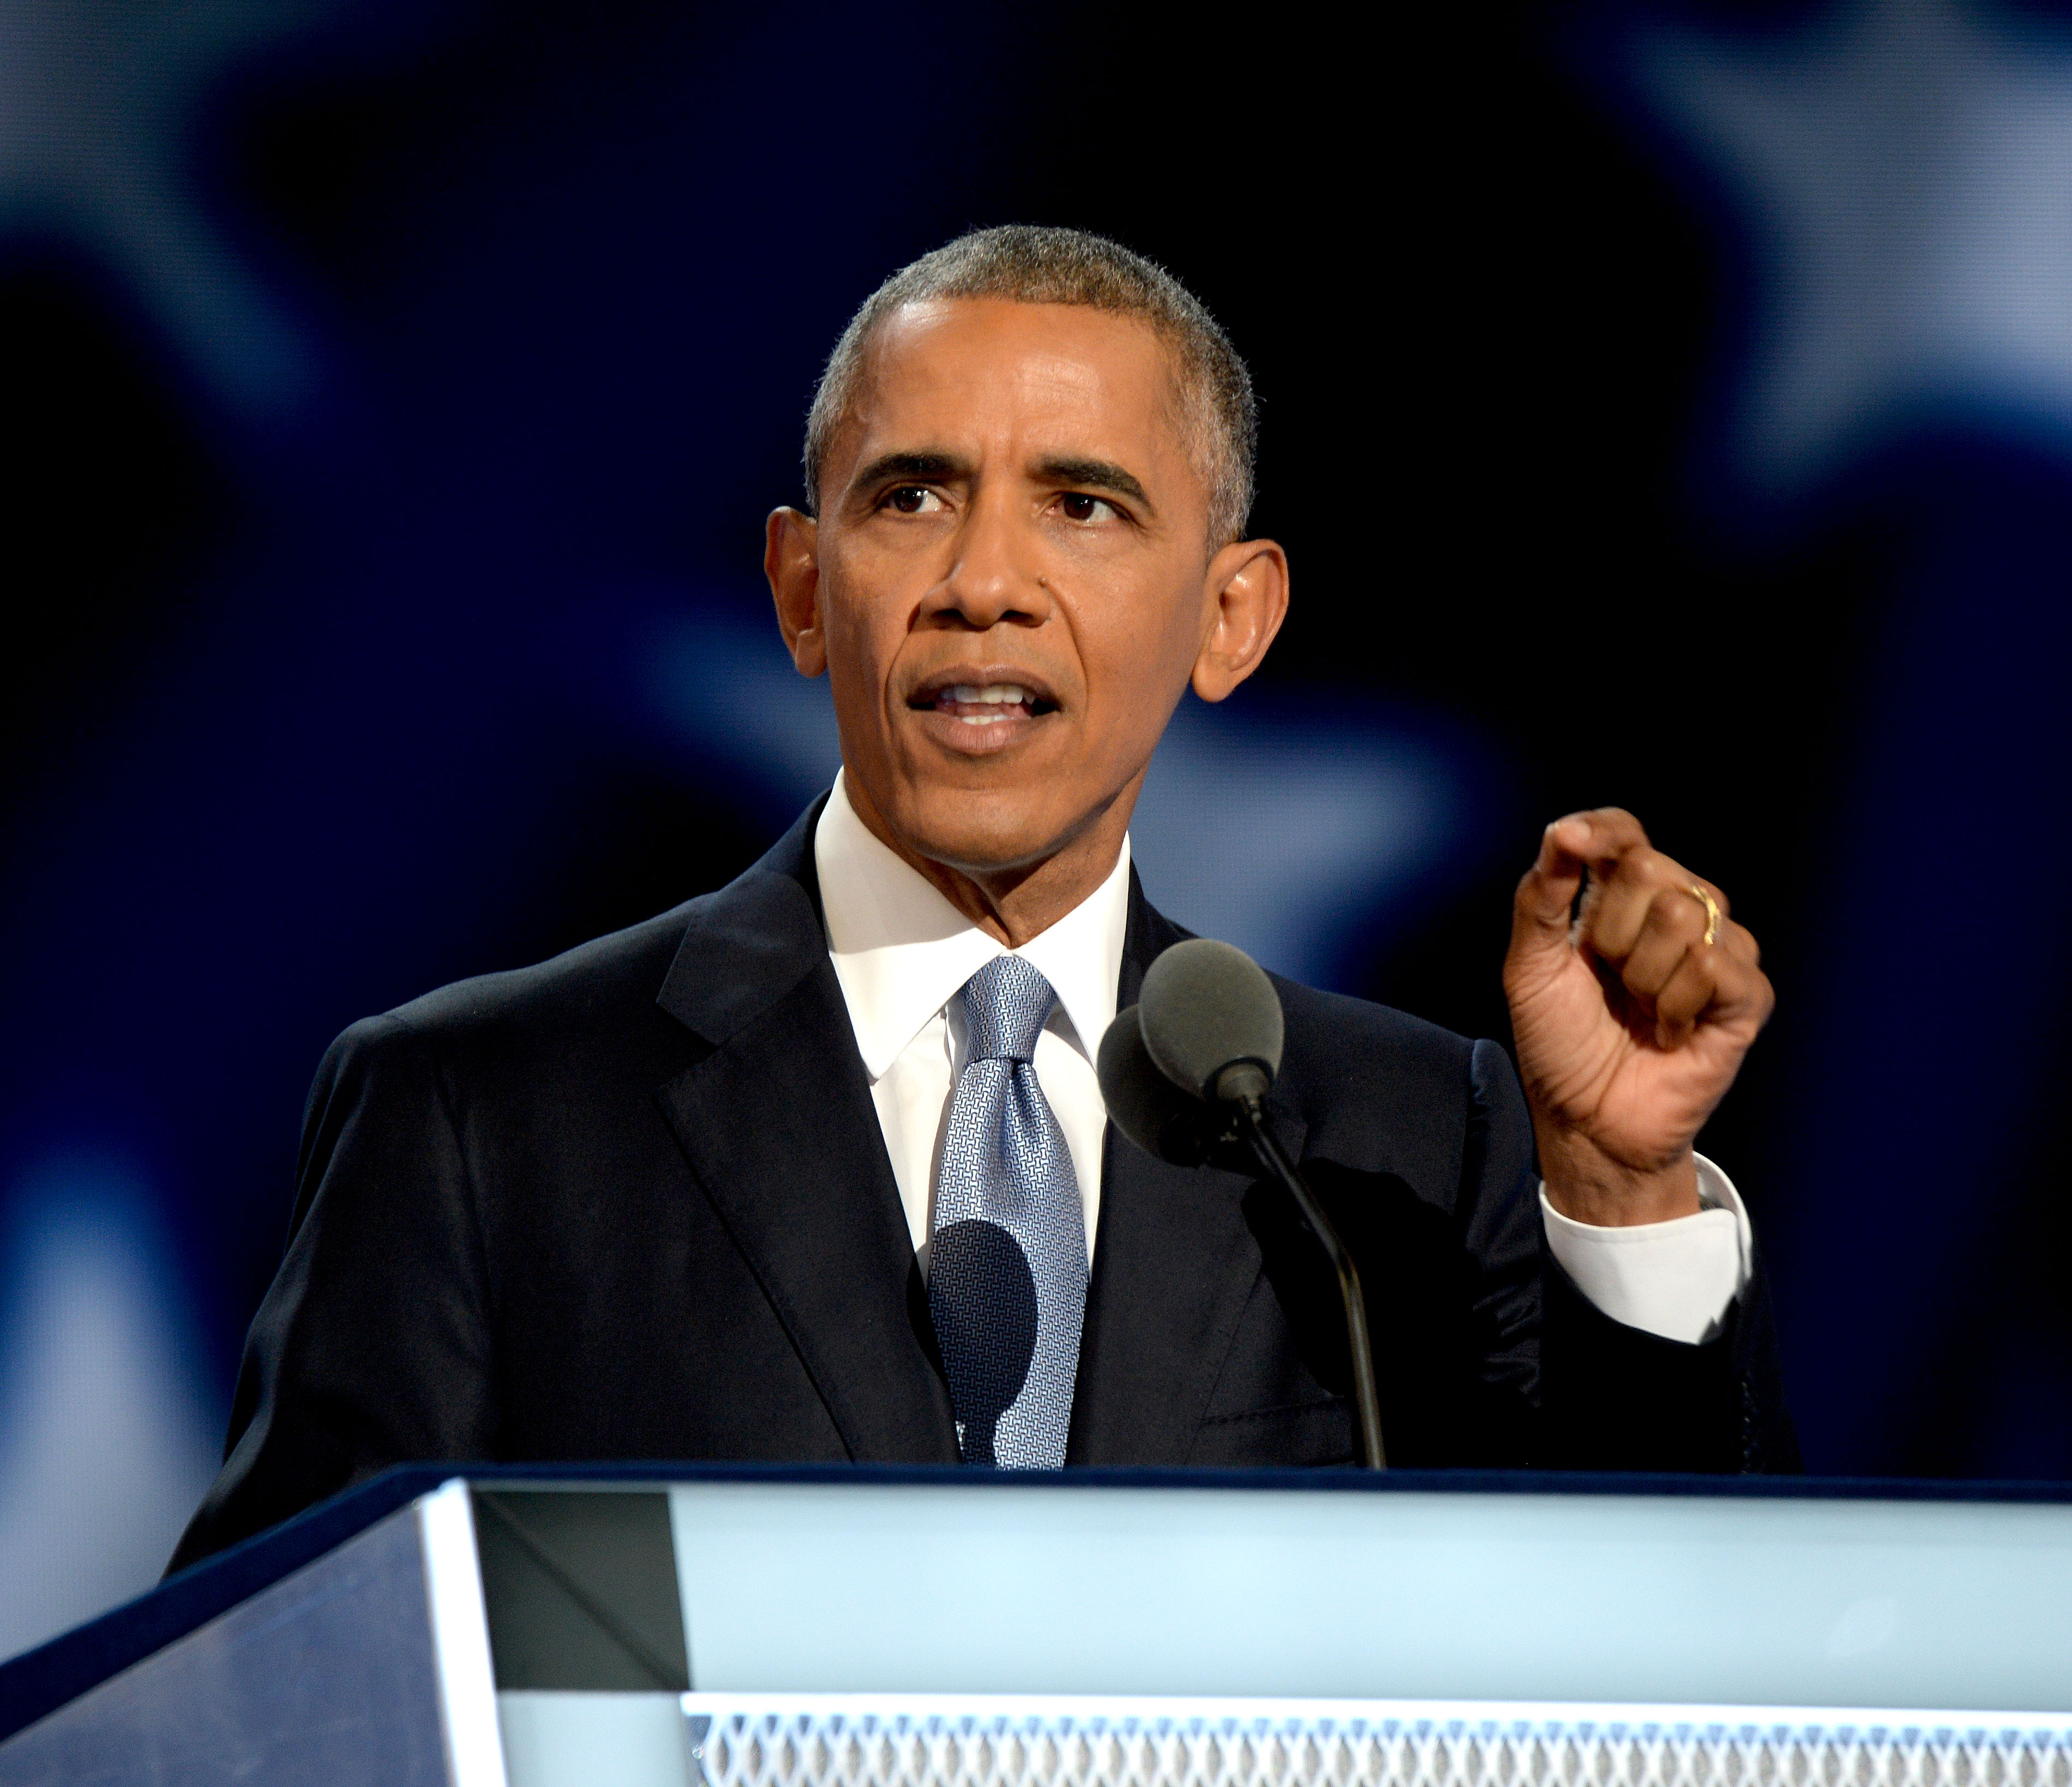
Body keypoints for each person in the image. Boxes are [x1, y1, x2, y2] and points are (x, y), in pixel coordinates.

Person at [170, 226, 1793, 1572]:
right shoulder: (478, 1114)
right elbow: (285, 1695)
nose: (983, 581)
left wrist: (1624, 1194)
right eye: (913, 497)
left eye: (1083, 506)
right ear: (807, 593)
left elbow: (1669, 1640)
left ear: (1233, 618)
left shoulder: (1410, 1145)